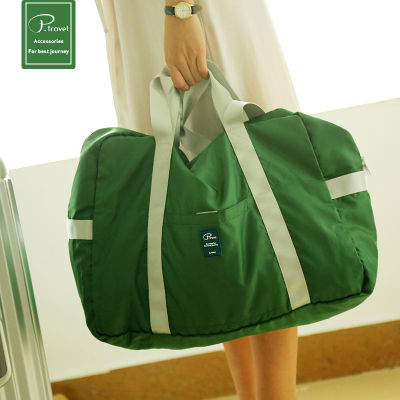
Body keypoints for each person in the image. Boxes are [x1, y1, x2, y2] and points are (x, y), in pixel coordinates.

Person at [94, 1, 300, 399]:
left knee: (259, 206)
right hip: (146, 20)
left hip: (182, 13)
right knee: (205, 218)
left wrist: (181, 11)